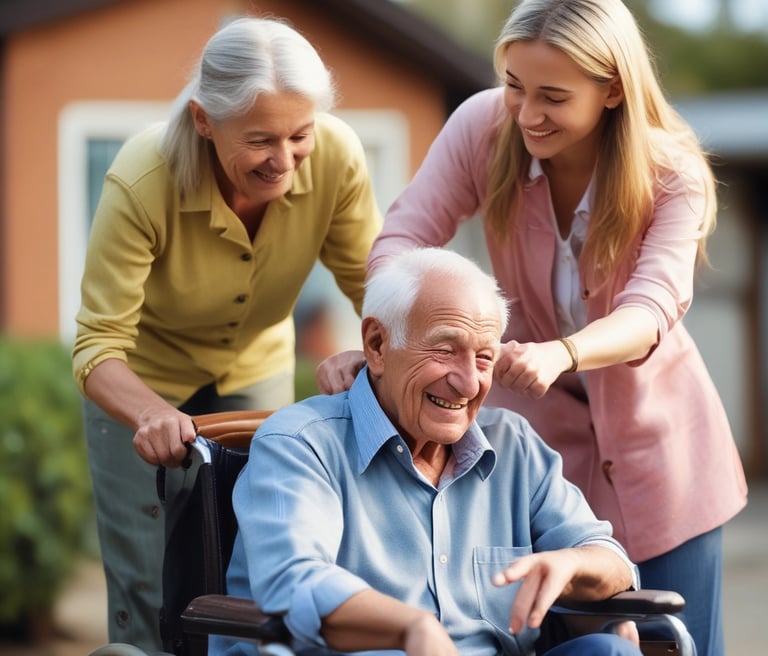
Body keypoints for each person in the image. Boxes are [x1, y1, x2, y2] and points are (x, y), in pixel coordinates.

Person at [315, 2, 747, 655]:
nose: (526, 113)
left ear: (612, 90)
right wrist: (389, 340)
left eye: (553, 96)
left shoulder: (671, 174)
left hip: (664, 460)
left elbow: (652, 308)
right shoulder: (483, 127)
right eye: (515, 85)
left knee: (673, 640)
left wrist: (562, 353)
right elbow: (404, 237)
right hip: (548, 461)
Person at [72, 16, 382, 652]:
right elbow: (97, 346)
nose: (285, 161)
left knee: (256, 563)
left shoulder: (338, 157)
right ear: (204, 119)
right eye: (261, 140)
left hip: (254, 368)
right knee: (150, 586)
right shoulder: (142, 179)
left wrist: (375, 348)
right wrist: (153, 415)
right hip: (140, 386)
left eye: (300, 135)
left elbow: (373, 287)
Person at [211, 247, 643, 656]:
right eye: (445, 350)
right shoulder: (300, 444)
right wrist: (411, 627)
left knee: (611, 649)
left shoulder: (515, 445)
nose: (468, 383)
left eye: (484, 358)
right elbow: (294, 582)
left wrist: (572, 565)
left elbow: (609, 558)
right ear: (377, 345)